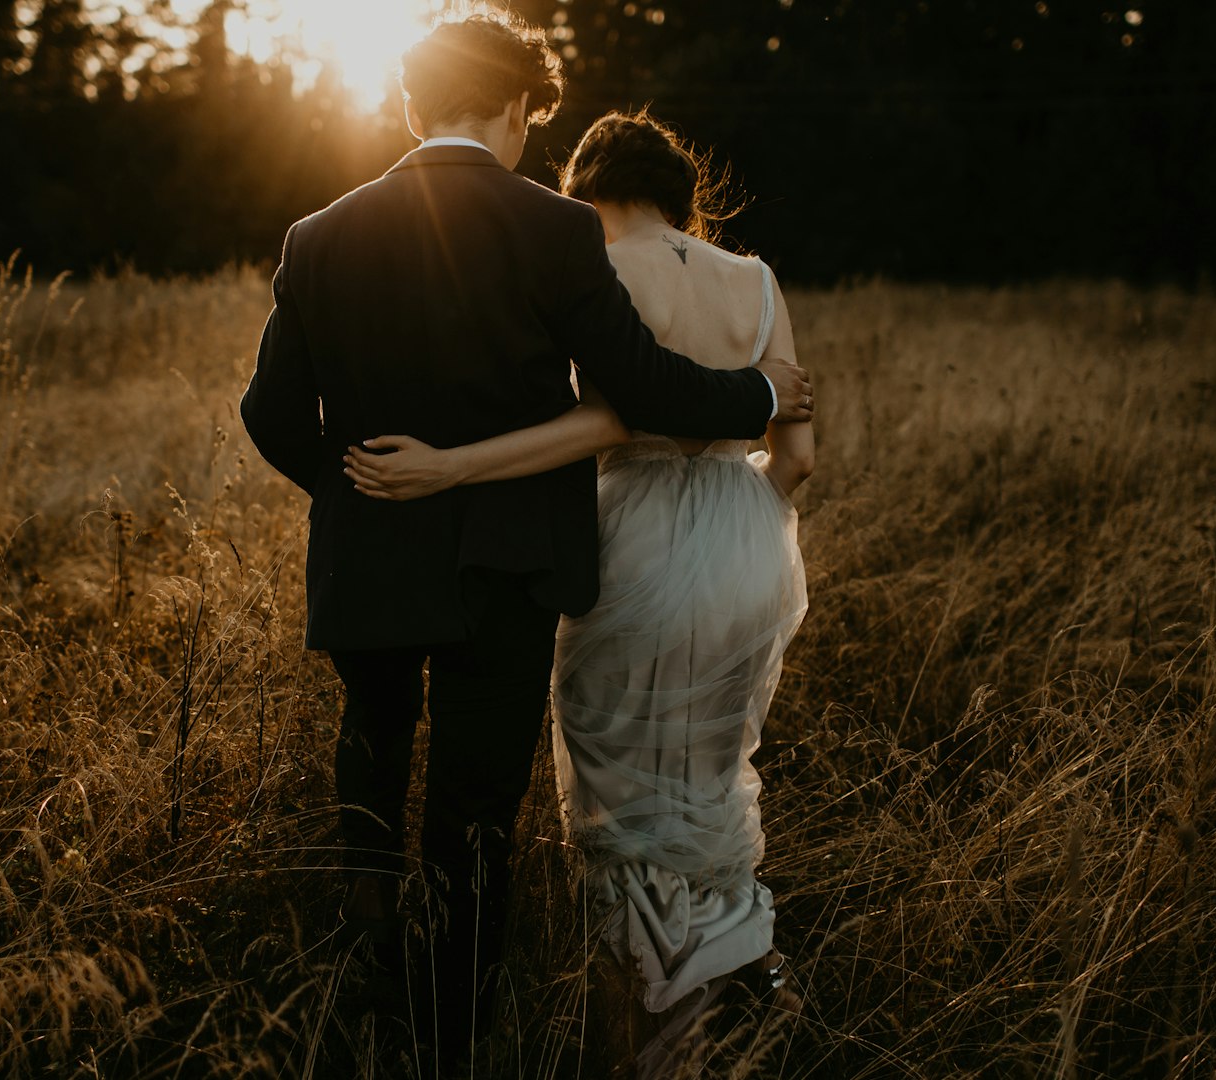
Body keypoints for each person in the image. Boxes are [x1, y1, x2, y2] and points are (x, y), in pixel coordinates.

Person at [237, 14, 815, 1069]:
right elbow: (638, 389)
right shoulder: (555, 230)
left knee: (371, 738)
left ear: (411, 107)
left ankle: (362, 948)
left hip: (372, 556)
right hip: (506, 565)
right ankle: (451, 1030)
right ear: (515, 107)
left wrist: (358, 491)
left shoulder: (319, 235)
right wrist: (763, 392)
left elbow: (270, 414)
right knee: (474, 814)